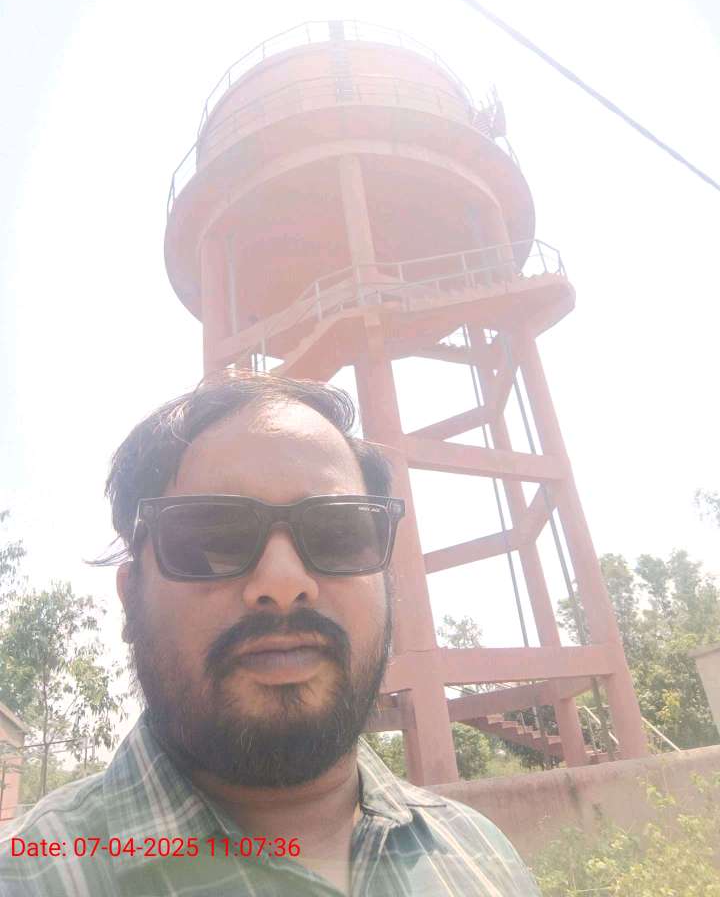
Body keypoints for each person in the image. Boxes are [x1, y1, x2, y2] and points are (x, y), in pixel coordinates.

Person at [0, 371, 541, 896]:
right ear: (129, 600)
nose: (284, 584)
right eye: (213, 538)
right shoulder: (28, 877)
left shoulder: (481, 855)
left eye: (338, 532)